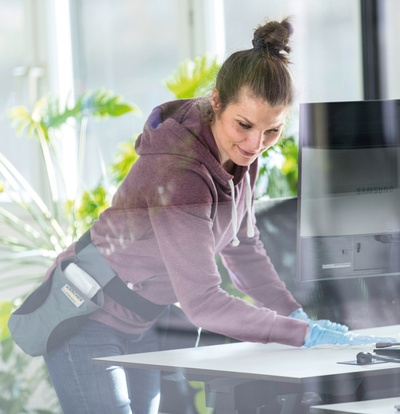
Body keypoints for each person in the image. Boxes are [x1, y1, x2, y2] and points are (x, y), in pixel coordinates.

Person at [43, 17, 395, 414]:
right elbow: (204, 302)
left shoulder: (242, 154)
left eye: (272, 131)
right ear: (216, 102)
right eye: (244, 125)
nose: (255, 144)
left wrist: (290, 311)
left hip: (141, 318)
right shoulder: (179, 176)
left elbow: (243, 246)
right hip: (86, 316)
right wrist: (300, 333)